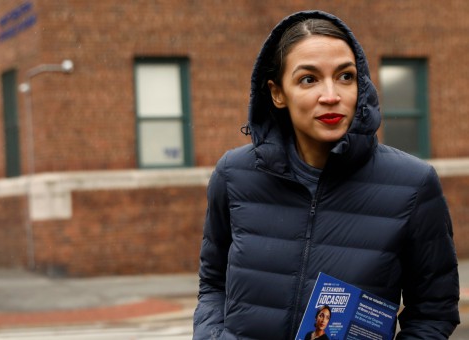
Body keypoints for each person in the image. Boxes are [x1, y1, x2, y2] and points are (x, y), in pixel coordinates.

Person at [193, 10, 459, 340]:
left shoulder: (414, 185)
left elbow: (434, 310)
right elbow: (213, 283)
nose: (331, 95)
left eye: (345, 76)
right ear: (277, 93)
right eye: (309, 79)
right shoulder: (234, 175)